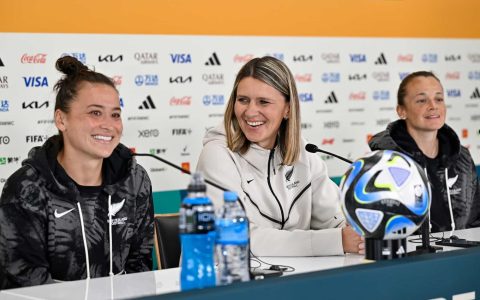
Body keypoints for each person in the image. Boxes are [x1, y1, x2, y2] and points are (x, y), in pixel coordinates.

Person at [0, 56, 154, 289]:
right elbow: (25, 286)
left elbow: (139, 267)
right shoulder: (26, 189)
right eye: (95, 113)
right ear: (61, 119)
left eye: (115, 114)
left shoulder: (135, 180)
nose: (109, 124)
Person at [196, 56, 363, 256]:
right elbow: (233, 237)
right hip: (225, 280)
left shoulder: (303, 152)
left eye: (263, 102)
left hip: (289, 279)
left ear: (288, 109)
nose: (250, 111)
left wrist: (359, 231)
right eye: (243, 100)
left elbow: (334, 218)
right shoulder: (217, 154)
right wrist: (336, 241)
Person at [369, 71, 480, 233]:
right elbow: (374, 226)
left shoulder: (461, 157)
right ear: (401, 111)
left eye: (439, 99)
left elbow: (475, 221)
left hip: (460, 257)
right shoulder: (383, 162)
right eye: (422, 100)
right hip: (408, 257)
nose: (433, 106)